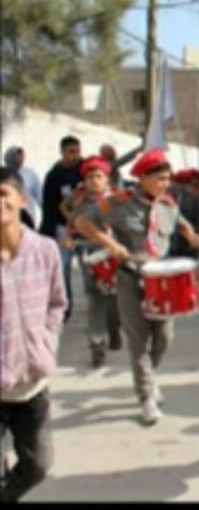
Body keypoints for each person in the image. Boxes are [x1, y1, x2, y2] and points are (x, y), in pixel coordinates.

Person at [73, 148, 199, 426]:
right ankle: (145, 396)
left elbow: (180, 223)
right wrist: (111, 244)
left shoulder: (168, 204)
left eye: (167, 179)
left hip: (161, 279)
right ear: (143, 177)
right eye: (160, 178)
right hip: (130, 277)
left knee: (165, 337)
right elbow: (82, 222)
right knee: (138, 339)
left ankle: (149, 377)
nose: (165, 184)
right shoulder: (118, 202)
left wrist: (191, 234)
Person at [0, 167, 68, 503]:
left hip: (32, 386)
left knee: (39, 464)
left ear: (21, 199)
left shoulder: (45, 249)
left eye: (3, 194)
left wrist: (47, 341)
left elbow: (58, 303)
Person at [61, 156, 123, 367]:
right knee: (95, 299)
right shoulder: (80, 201)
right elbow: (71, 224)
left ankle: (114, 328)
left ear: (107, 179)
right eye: (90, 177)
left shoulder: (117, 199)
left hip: (114, 254)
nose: (94, 180)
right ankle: (97, 346)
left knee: (115, 298)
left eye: (98, 176)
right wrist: (69, 239)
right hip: (90, 254)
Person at [39, 135, 83, 321]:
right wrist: (48, 232)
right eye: (71, 152)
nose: (75, 155)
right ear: (62, 152)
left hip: (85, 226)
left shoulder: (83, 170)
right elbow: (49, 206)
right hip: (62, 228)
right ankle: (64, 308)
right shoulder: (54, 176)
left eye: (77, 151)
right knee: (63, 270)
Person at [3, 147, 42, 228]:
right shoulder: (3, 174)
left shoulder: (30, 174)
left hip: (28, 216)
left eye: (22, 156)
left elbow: (39, 196)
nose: (20, 159)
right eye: (17, 156)